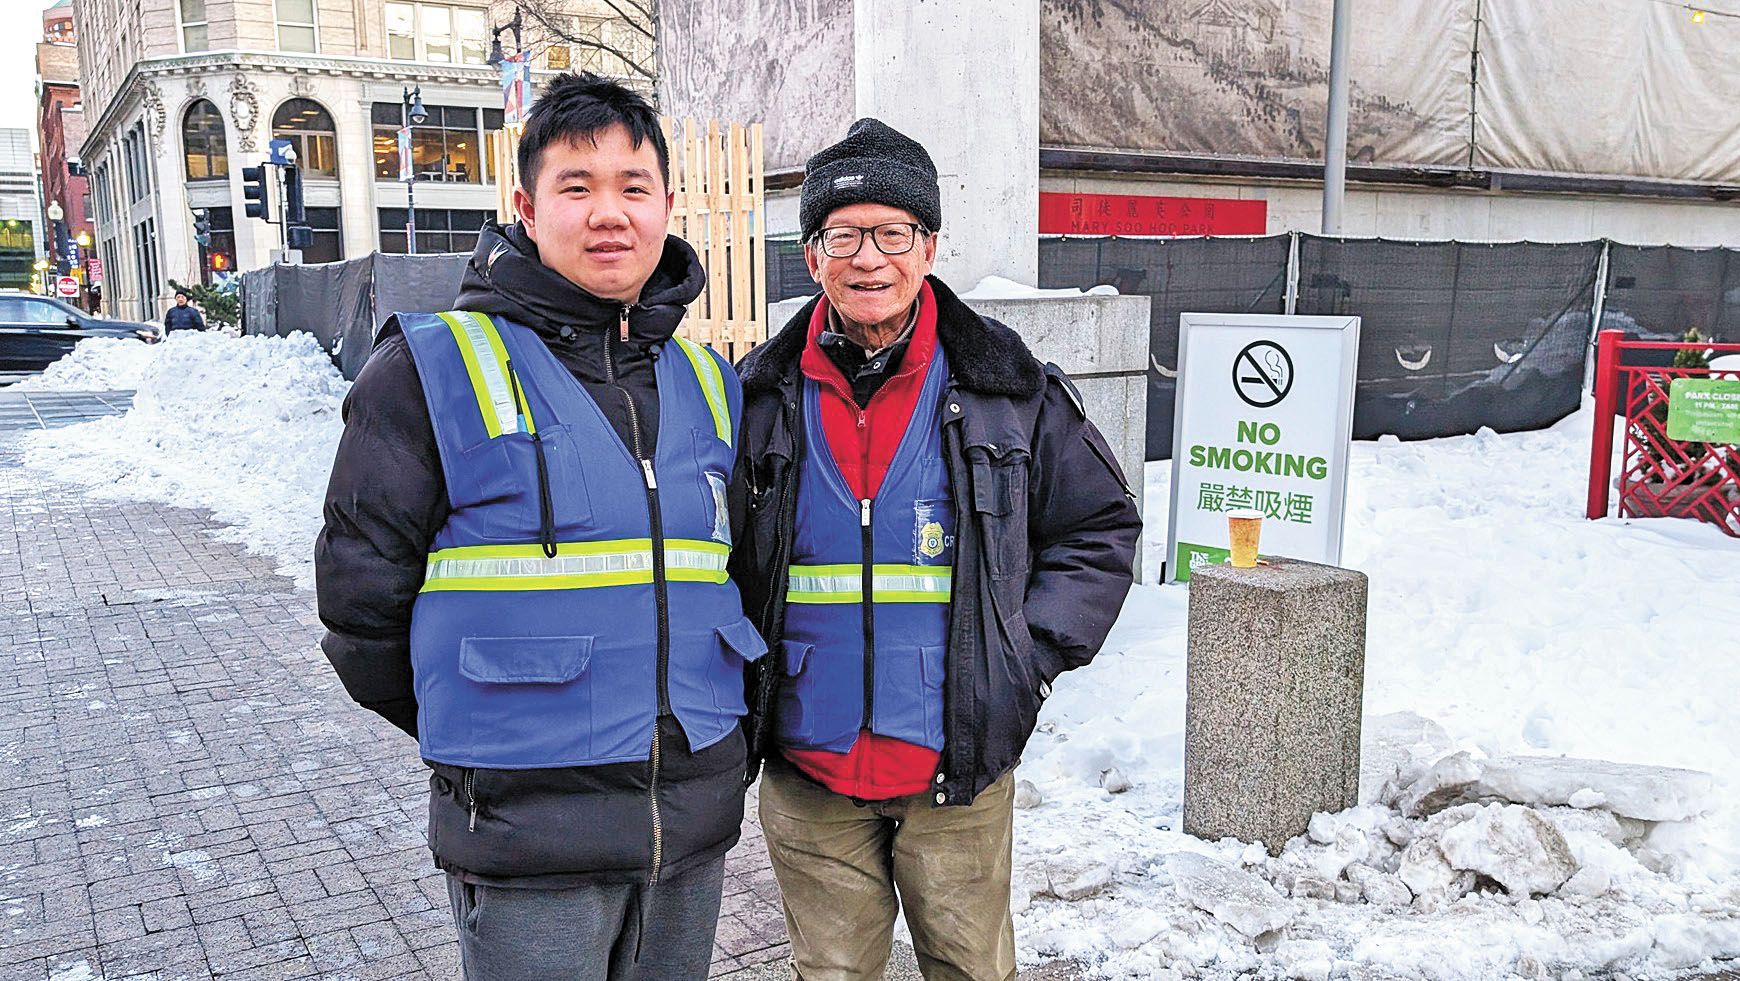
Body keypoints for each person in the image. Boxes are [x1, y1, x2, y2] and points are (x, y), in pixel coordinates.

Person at [314, 73, 762, 980]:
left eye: (634, 187)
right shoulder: (431, 370)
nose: (611, 213)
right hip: (528, 846)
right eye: (577, 186)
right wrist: (489, 748)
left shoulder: (710, 384)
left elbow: (737, 573)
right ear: (525, 204)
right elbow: (361, 612)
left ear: (667, 205)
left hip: (687, 834)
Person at [732, 118, 1142, 980]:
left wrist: (1023, 660)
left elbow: (1100, 527)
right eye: (843, 234)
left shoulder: (1006, 388)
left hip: (956, 771)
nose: (868, 257)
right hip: (811, 777)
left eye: (892, 232)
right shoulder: (757, 400)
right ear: (812, 256)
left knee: (970, 969)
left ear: (928, 248)